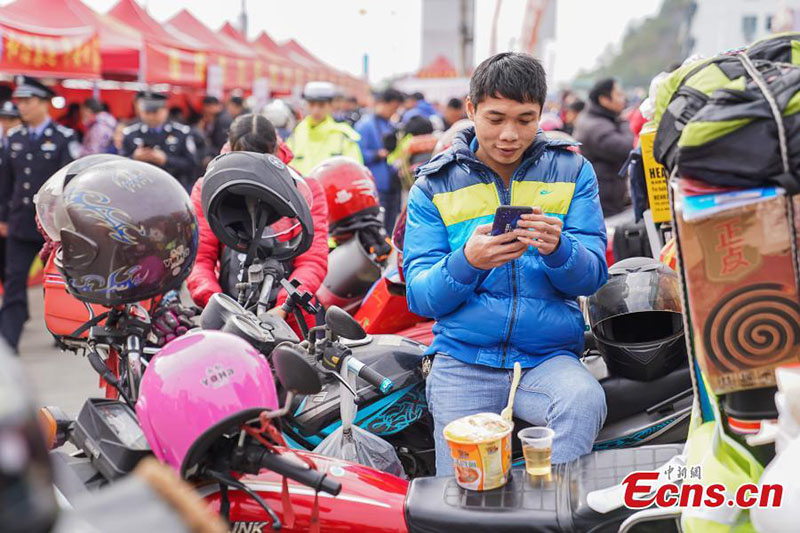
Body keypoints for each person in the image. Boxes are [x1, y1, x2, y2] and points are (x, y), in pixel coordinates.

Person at [403, 53, 608, 475]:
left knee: (583, 400)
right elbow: (420, 297)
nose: (510, 135)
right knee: (463, 491)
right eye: (495, 119)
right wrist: (467, 262)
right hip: (463, 359)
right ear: (471, 109)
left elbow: (592, 276)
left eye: (525, 119)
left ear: (541, 113)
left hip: (548, 358)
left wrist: (560, 249)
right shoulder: (434, 184)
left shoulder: (573, 170)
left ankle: (552, 503)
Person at [187, 114, 329, 334]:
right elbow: (200, 259)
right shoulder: (208, 189)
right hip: (227, 319)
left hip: (289, 321)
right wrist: (217, 304)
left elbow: (313, 260)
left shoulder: (304, 190)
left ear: (275, 151)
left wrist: (285, 306)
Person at [0, 76, 79, 353]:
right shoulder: (14, 137)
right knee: (14, 279)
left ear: (45, 103)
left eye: (28, 101)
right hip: (20, 223)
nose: (21, 106)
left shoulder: (63, 138)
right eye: (19, 101)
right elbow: (6, 182)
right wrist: (3, 217)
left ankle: (61, 332)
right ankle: (8, 341)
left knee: (57, 279)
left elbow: (70, 183)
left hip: (52, 225)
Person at [572, 78, 634, 216]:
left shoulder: (595, 119)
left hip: (605, 196)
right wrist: (623, 121)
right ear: (604, 99)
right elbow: (628, 148)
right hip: (603, 202)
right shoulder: (596, 127)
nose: (623, 99)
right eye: (618, 94)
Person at [121, 91, 198, 192]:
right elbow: (120, 165)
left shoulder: (181, 132)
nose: (151, 117)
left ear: (165, 110)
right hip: (141, 189)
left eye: (155, 112)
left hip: (172, 188)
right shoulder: (131, 133)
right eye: (147, 113)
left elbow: (192, 164)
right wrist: (134, 157)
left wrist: (166, 159)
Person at [355, 88, 404, 233]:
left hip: (392, 185)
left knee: (390, 227)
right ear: (383, 103)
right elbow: (357, 154)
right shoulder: (364, 126)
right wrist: (377, 154)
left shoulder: (391, 125)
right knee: (376, 229)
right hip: (375, 186)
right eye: (393, 108)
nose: (394, 112)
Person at [287, 81, 363, 175]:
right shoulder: (295, 136)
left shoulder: (344, 137)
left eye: (321, 105)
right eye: (312, 104)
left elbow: (355, 173)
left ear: (331, 105)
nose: (316, 110)